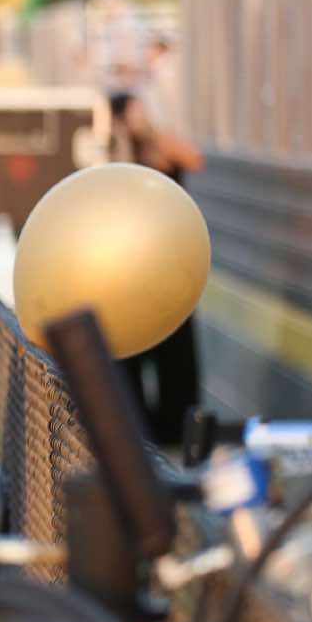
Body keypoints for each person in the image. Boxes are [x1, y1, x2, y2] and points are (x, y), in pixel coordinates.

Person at [110, 89, 205, 446]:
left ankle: (175, 430)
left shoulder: (157, 148)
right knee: (127, 350)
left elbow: (193, 158)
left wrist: (148, 132)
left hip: (166, 264)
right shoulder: (110, 153)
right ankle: (137, 430)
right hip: (126, 268)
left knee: (175, 351)